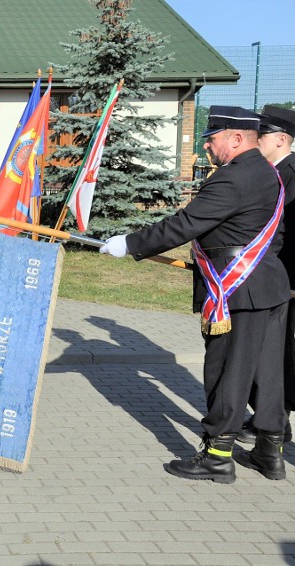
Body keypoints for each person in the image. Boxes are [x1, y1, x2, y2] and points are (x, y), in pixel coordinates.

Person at [100, 106, 290, 483]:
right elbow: (276, 234)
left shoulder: (233, 178)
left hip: (236, 290)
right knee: (267, 374)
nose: (207, 148)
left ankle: (218, 457)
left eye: (212, 139)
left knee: (227, 373)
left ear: (236, 138)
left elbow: (185, 224)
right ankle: (270, 453)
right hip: (269, 285)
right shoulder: (268, 173)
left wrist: (131, 244)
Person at [237, 105, 295, 449]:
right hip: (265, 280)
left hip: (284, 283)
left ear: (282, 139)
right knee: (268, 354)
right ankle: (269, 419)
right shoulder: (269, 173)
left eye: (263, 135)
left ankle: (276, 422)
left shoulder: (291, 176)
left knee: (279, 356)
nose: (256, 140)